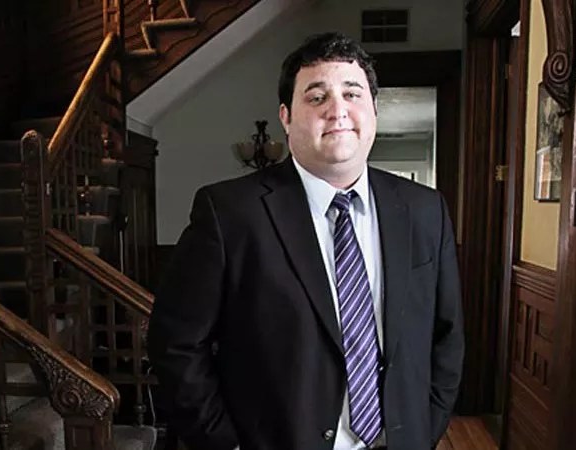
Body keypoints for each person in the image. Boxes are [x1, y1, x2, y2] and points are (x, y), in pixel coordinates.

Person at [147, 32, 464, 450]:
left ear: (374, 109)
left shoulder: (425, 210)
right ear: (286, 116)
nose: (338, 110)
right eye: (316, 97)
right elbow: (176, 344)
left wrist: (425, 429)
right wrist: (226, 444)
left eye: (353, 94)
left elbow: (447, 337)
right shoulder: (229, 213)